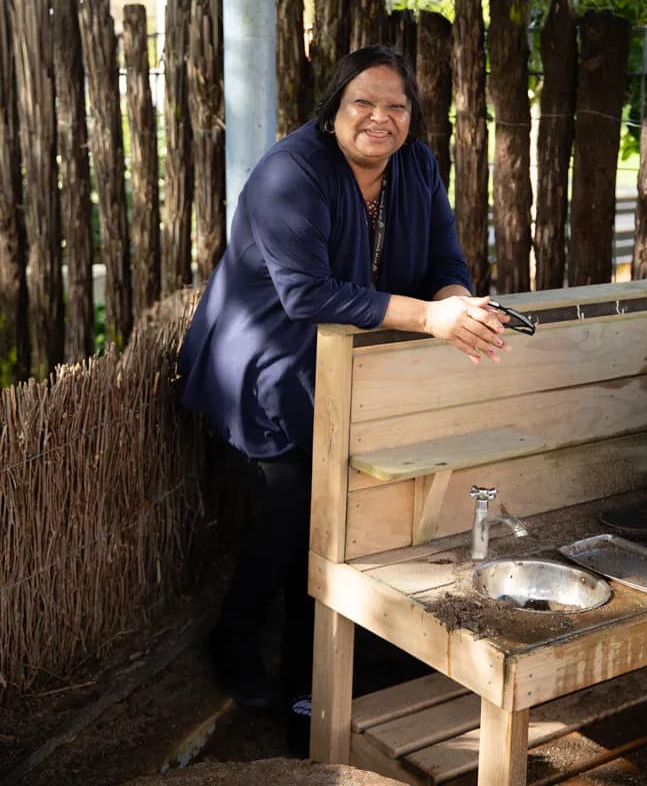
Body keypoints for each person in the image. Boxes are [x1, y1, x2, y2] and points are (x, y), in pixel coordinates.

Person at [178, 44, 510, 751]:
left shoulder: (417, 167)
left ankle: (313, 676)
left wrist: (459, 301)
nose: (379, 118)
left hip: (346, 366)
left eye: (397, 106)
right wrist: (428, 319)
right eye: (364, 102)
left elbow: (446, 260)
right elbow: (305, 293)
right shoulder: (288, 174)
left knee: (342, 519)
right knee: (292, 520)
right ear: (333, 108)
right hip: (268, 361)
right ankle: (235, 639)